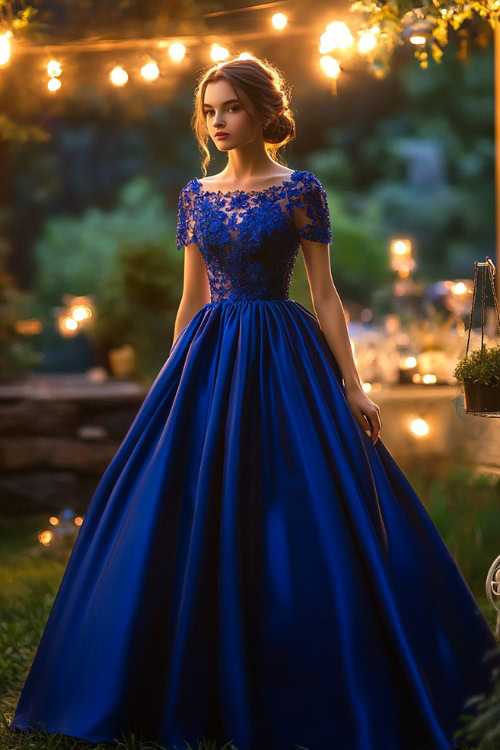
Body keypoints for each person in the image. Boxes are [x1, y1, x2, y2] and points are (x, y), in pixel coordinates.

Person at [9, 55, 499, 750]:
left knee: (296, 502)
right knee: (189, 500)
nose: (216, 122)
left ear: (266, 113)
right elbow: (191, 298)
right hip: (209, 355)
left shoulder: (301, 189)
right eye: (209, 110)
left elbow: (324, 295)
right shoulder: (196, 196)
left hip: (282, 348)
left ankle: (309, 664)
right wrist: (174, 378)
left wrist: (352, 383)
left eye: (230, 108)